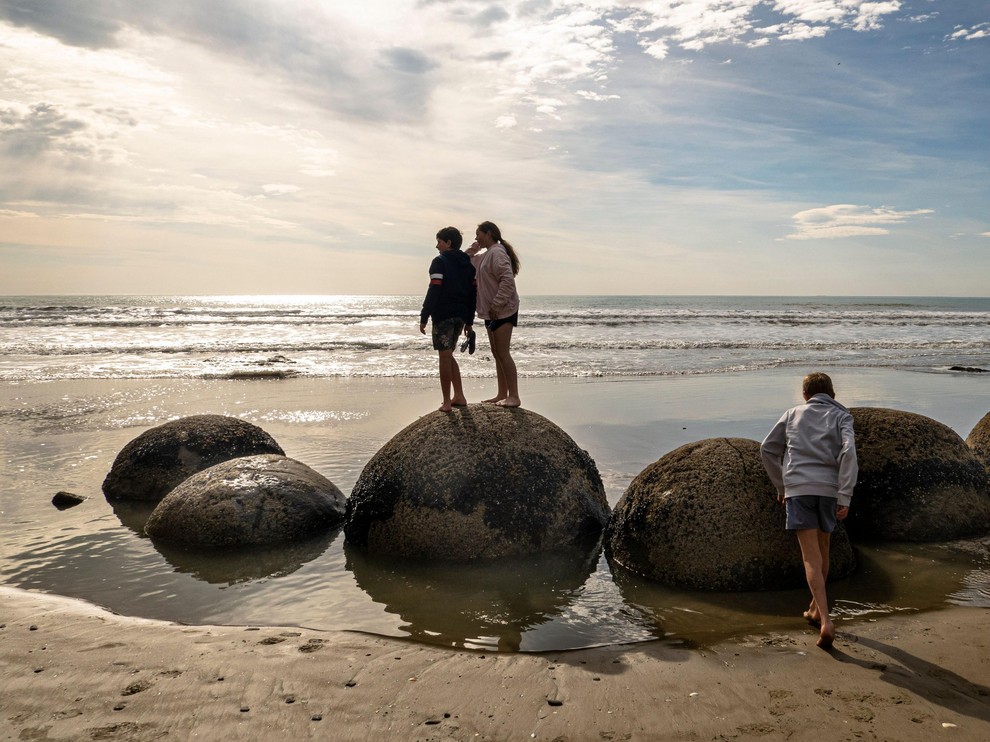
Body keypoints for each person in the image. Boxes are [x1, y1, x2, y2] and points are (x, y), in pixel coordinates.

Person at [760, 372, 858, 649]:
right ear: (833, 394)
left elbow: (767, 449)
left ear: (805, 395)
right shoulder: (842, 417)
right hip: (829, 490)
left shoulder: (792, 414)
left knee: (810, 558)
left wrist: (781, 486)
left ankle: (825, 620)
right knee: (824, 549)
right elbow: (849, 454)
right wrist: (845, 494)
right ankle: (815, 609)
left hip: (799, 488)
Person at [420, 226, 476, 412]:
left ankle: (446, 401)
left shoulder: (439, 261)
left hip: (443, 314)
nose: (437, 246)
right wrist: (469, 321)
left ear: (448, 243)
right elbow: (472, 293)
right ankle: (458, 395)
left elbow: (434, 288)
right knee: (448, 354)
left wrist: (424, 315)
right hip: (460, 315)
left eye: (439, 242)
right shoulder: (467, 264)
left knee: (444, 357)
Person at [465, 221, 521, 407]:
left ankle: (514, 396)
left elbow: (507, 280)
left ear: (488, 233)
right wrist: (474, 248)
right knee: (496, 353)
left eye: (478, 234)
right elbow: (466, 261)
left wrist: (497, 304)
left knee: (503, 353)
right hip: (492, 312)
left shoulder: (497, 252)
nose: (476, 238)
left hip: (503, 310)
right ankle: (501, 393)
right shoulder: (487, 254)